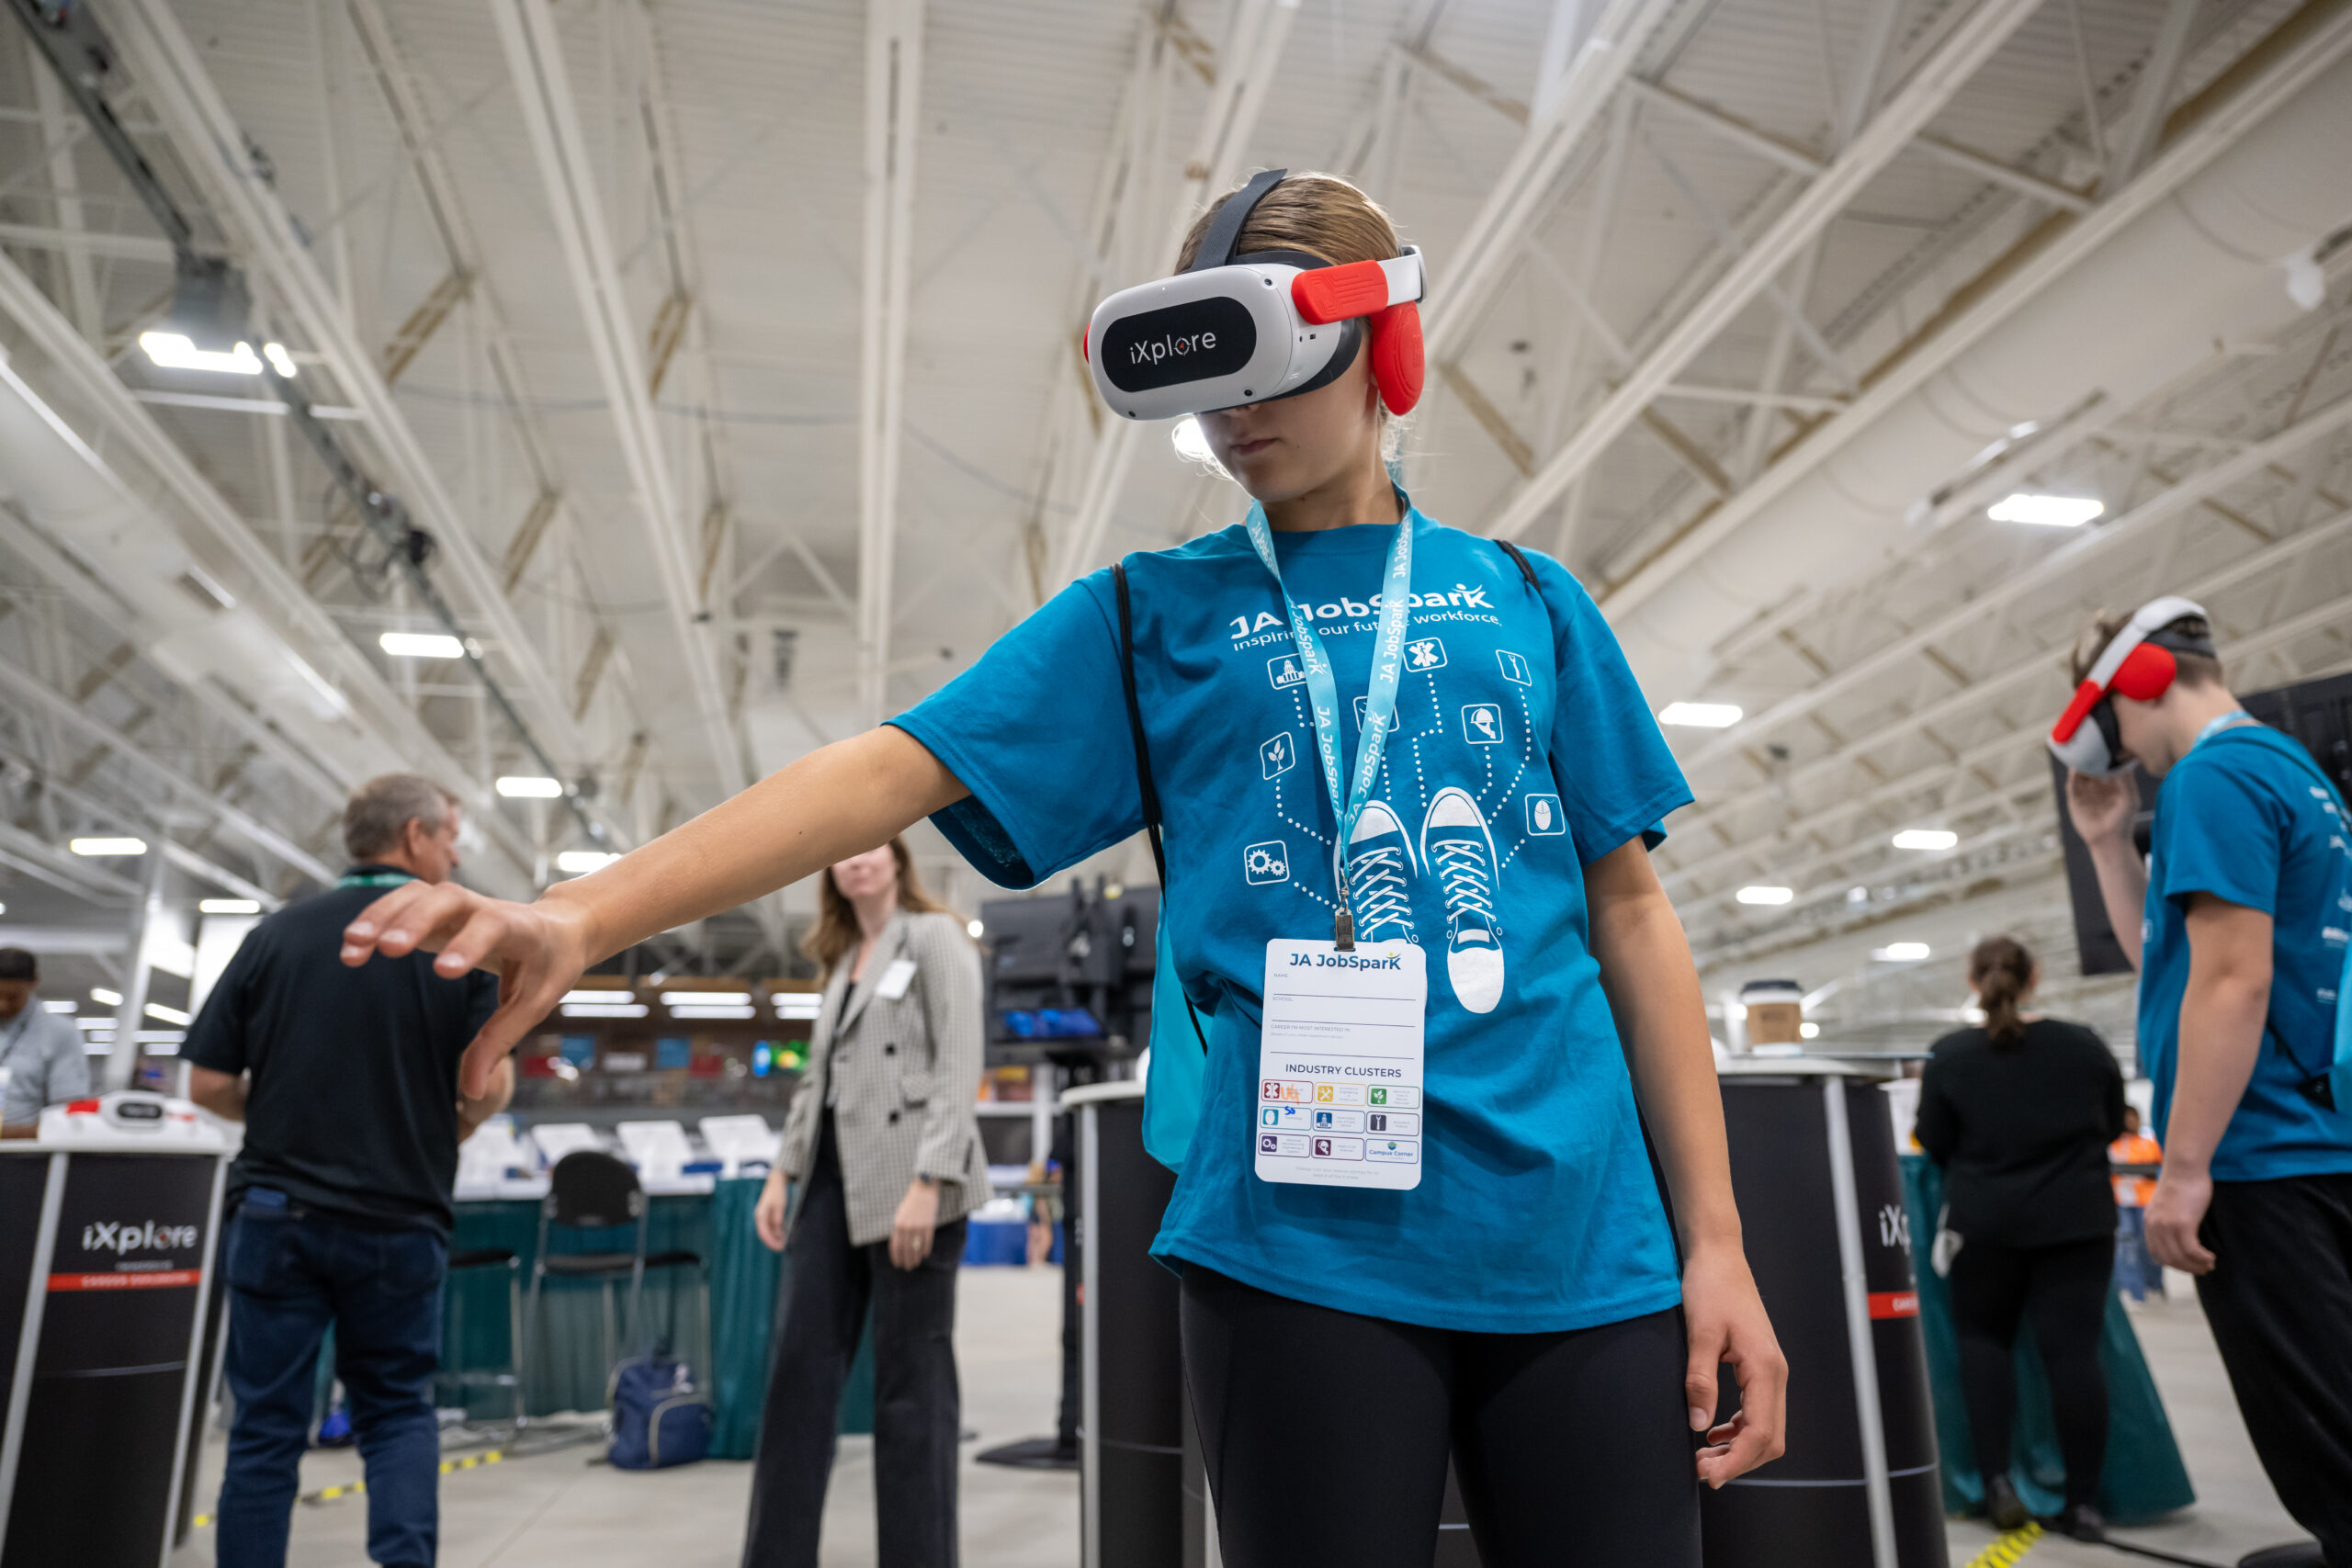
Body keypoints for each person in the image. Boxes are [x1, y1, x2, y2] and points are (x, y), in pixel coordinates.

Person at [339, 171, 1786, 1568]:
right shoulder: (1151, 615)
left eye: (1274, 367)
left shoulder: (1532, 598)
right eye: (1210, 385)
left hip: (1585, 1243)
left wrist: (1713, 1245)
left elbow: (1633, 916)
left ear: (1383, 344)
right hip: (1298, 1250)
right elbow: (885, 768)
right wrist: (581, 911)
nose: (1237, 416)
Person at [2064, 604, 2352, 1565]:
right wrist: (2111, 845)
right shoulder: (2290, 772)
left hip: (2259, 1154)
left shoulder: (2209, 779)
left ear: (2142, 678)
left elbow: (2233, 979)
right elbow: (2174, 949)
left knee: (2325, 1446)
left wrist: (2181, 1170)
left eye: (2117, 723)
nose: (2124, 752)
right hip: (2315, 1138)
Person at [186, 774, 510, 1568]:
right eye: (449, 835)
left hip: (277, 1213)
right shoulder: (458, 947)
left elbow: (208, 1083)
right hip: (400, 1220)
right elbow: (489, 1084)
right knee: (398, 1414)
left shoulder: (276, 935)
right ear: (412, 837)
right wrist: (440, 1121)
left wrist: (291, 1104)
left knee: (263, 1431)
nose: (456, 851)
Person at [743, 838, 985, 1568]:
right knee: (797, 1381)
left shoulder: (933, 935)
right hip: (828, 1179)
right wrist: (783, 1170)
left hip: (912, 1182)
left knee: (912, 1393)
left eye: (870, 842)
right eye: (840, 849)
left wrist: (931, 1180)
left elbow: (958, 1061)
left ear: (897, 854)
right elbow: (816, 1080)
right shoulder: (842, 960)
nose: (857, 857)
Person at [1916, 935, 2124, 1540]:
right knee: (2074, 1355)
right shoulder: (2082, 1045)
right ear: (2034, 977)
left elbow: (1933, 1138)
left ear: (1973, 979)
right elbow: (2112, 1122)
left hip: (1986, 1222)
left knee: (1984, 1344)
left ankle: (1998, 1483)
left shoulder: (1949, 1055)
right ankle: (2084, 1504)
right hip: (2077, 1221)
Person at [0, 947, 88, 1135]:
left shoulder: (60, 1033)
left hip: (27, 1155)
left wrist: (13, 1134)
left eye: (12, 997)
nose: (2, 1005)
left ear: (34, 982)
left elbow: (67, 1115)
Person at [2109, 1107, 2164, 1303]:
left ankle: (2154, 1285)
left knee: (2148, 1246)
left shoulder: (2148, 1143)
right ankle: (2133, 1290)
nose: (2129, 1122)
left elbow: (2156, 1168)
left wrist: (2128, 1170)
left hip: (2146, 1202)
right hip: (2121, 1203)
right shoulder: (2113, 1144)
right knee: (2125, 1247)